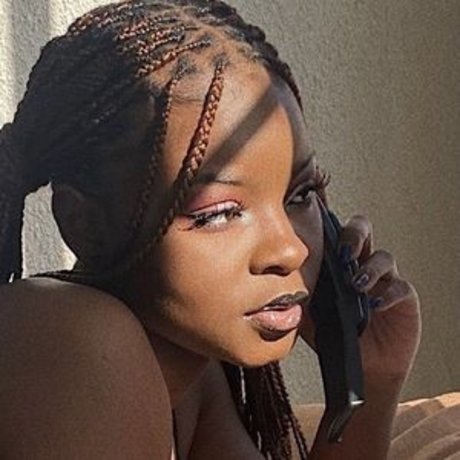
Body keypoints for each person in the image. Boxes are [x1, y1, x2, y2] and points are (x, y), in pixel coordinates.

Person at [0, 1, 421, 458]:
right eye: (219, 213)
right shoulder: (72, 340)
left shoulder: (189, 377)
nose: (291, 249)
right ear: (84, 224)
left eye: (300, 194)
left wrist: (370, 381)